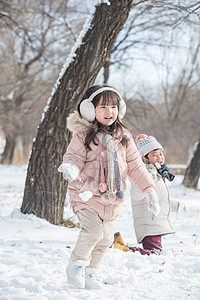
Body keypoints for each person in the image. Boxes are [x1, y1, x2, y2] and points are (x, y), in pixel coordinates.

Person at [58, 86, 160, 290]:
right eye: (103, 106)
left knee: (105, 239)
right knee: (93, 232)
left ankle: (92, 271)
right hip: (85, 193)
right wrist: (70, 168)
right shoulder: (83, 134)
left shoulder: (124, 136)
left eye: (113, 106)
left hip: (113, 197)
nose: (109, 111)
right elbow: (74, 156)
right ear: (89, 109)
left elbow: (136, 166)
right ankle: (77, 264)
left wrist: (149, 190)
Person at [128, 134, 175, 255]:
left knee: (155, 252)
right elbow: (136, 196)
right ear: (145, 158)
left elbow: (161, 199)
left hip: (155, 221)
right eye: (154, 155)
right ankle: (125, 250)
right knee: (153, 253)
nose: (159, 157)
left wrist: (178, 206)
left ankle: (126, 249)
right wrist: (147, 183)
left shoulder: (158, 173)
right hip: (148, 222)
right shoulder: (141, 174)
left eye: (160, 153)